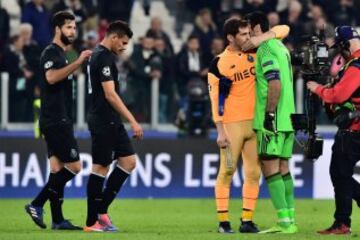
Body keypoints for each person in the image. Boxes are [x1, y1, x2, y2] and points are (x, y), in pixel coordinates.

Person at [208, 17, 290, 233]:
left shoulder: (257, 51)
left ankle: (247, 221)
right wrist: (220, 130)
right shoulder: (218, 63)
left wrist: (260, 37)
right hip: (231, 125)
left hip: (255, 124)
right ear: (230, 37)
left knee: (254, 173)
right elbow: (215, 99)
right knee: (227, 170)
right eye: (243, 34)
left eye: (248, 33)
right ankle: (223, 222)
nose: (248, 37)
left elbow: (283, 29)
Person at [24, 11, 92, 230]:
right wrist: (78, 62)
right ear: (57, 29)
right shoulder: (51, 52)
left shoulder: (61, 54)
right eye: (69, 27)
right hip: (56, 119)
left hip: (57, 118)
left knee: (56, 169)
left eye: (74, 27)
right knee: (74, 167)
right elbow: (51, 77)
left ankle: (58, 219)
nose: (73, 31)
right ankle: (36, 203)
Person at [84, 20, 143, 232]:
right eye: (123, 42)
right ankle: (92, 222)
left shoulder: (101, 55)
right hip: (102, 119)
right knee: (100, 167)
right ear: (113, 37)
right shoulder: (103, 57)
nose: (124, 47)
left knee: (128, 161)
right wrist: (133, 120)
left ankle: (101, 211)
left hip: (111, 119)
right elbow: (110, 94)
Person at [246, 11, 297, 234]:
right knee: (284, 168)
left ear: (256, 27)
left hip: (273, 120)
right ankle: (291, 218)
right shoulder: (282, 48)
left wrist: (269, 115)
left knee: (270, 168)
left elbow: (274, 83)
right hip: (288, 119)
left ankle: (284, 222)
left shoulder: (265, 49)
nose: (246, 33)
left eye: (248, 27)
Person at [307, 25, 360, 235]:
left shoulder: (356, 67)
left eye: (340, 48)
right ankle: (341, 222)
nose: (339, 53)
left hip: (353, 130)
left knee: (340, 174)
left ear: (346, 45)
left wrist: (317, 89)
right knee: (340, 173)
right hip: (352, 128)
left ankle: (342, 223)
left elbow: (338, 96)